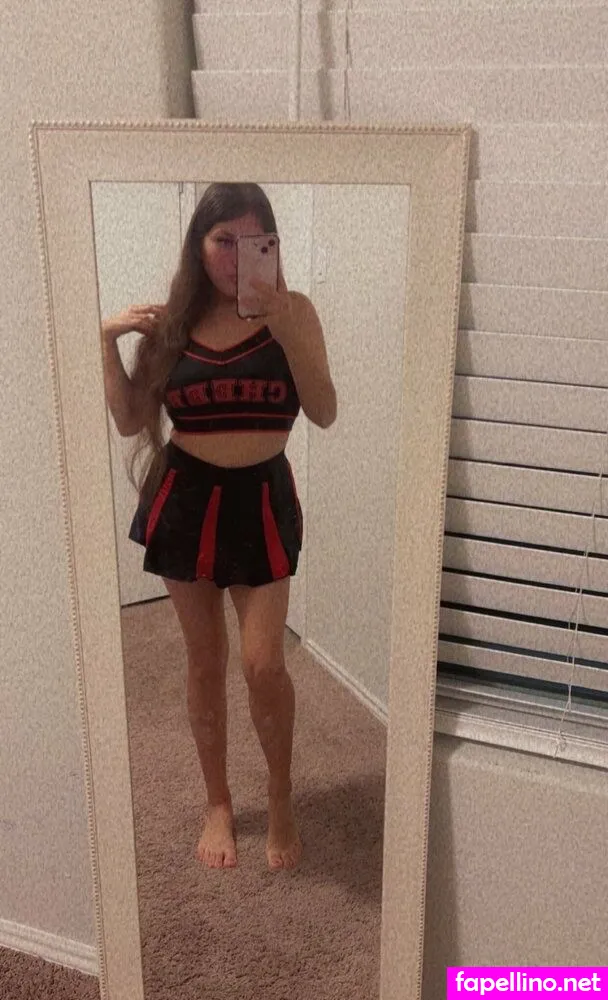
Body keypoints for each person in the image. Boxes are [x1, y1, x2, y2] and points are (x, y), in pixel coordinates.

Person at [101, 183, 337, 872]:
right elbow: (130, 419)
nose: (236, 257)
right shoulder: (174, 323)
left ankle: (281, 794)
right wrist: (106, 340)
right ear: (198, 246)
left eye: (252, 241)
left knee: (264, 663)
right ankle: (218, 802)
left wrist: (288, 329)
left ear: (273, 245)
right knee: (203, 661)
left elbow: (323, 410)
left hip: (262, 500)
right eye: (222, 241)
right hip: (186, 500)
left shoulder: (297, 311)